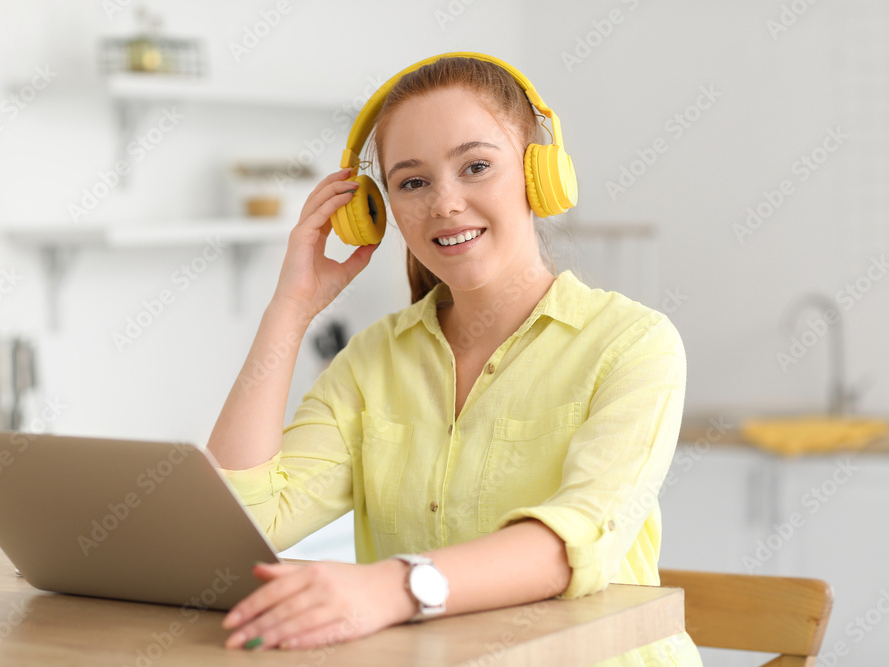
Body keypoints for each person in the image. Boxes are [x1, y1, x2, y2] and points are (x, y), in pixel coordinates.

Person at [206, 53, 702, 665]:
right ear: (376, 210)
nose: (445, 203)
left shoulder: (633, 343)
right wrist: (289, 309)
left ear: (538, 175)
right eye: (412, 182)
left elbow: (575, 541)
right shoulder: (371, 362)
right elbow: (241, 528)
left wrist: (391, 587)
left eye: (475, 167)